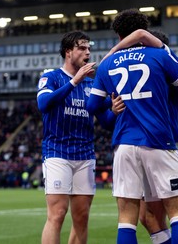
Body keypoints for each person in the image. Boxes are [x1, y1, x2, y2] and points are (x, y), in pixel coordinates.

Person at [86, 9, 178, 244]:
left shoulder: (107, 64)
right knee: (177, 213)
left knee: (127, 218)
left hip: (124, 144)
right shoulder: (160, 56)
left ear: (118, 35)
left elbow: (92, 105)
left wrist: (116, 103)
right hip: (160, 141)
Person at [37, 31, 125, 244]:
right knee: (57, 214)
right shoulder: (51, 77)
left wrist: (113, 111)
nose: (87, 52)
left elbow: (104, 121)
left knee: (82, 217)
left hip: (85, 154)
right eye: (82, 48)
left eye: (88, 48)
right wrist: (74, 82)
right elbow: (43, 104)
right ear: (68, 52)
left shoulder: (92, 85)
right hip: (57, 152)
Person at [103, 28, 178, 244]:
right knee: (148, 218)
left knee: (159, 215)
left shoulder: (163, 64)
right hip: (152, 142)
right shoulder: (161, 66)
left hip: (160, 141)